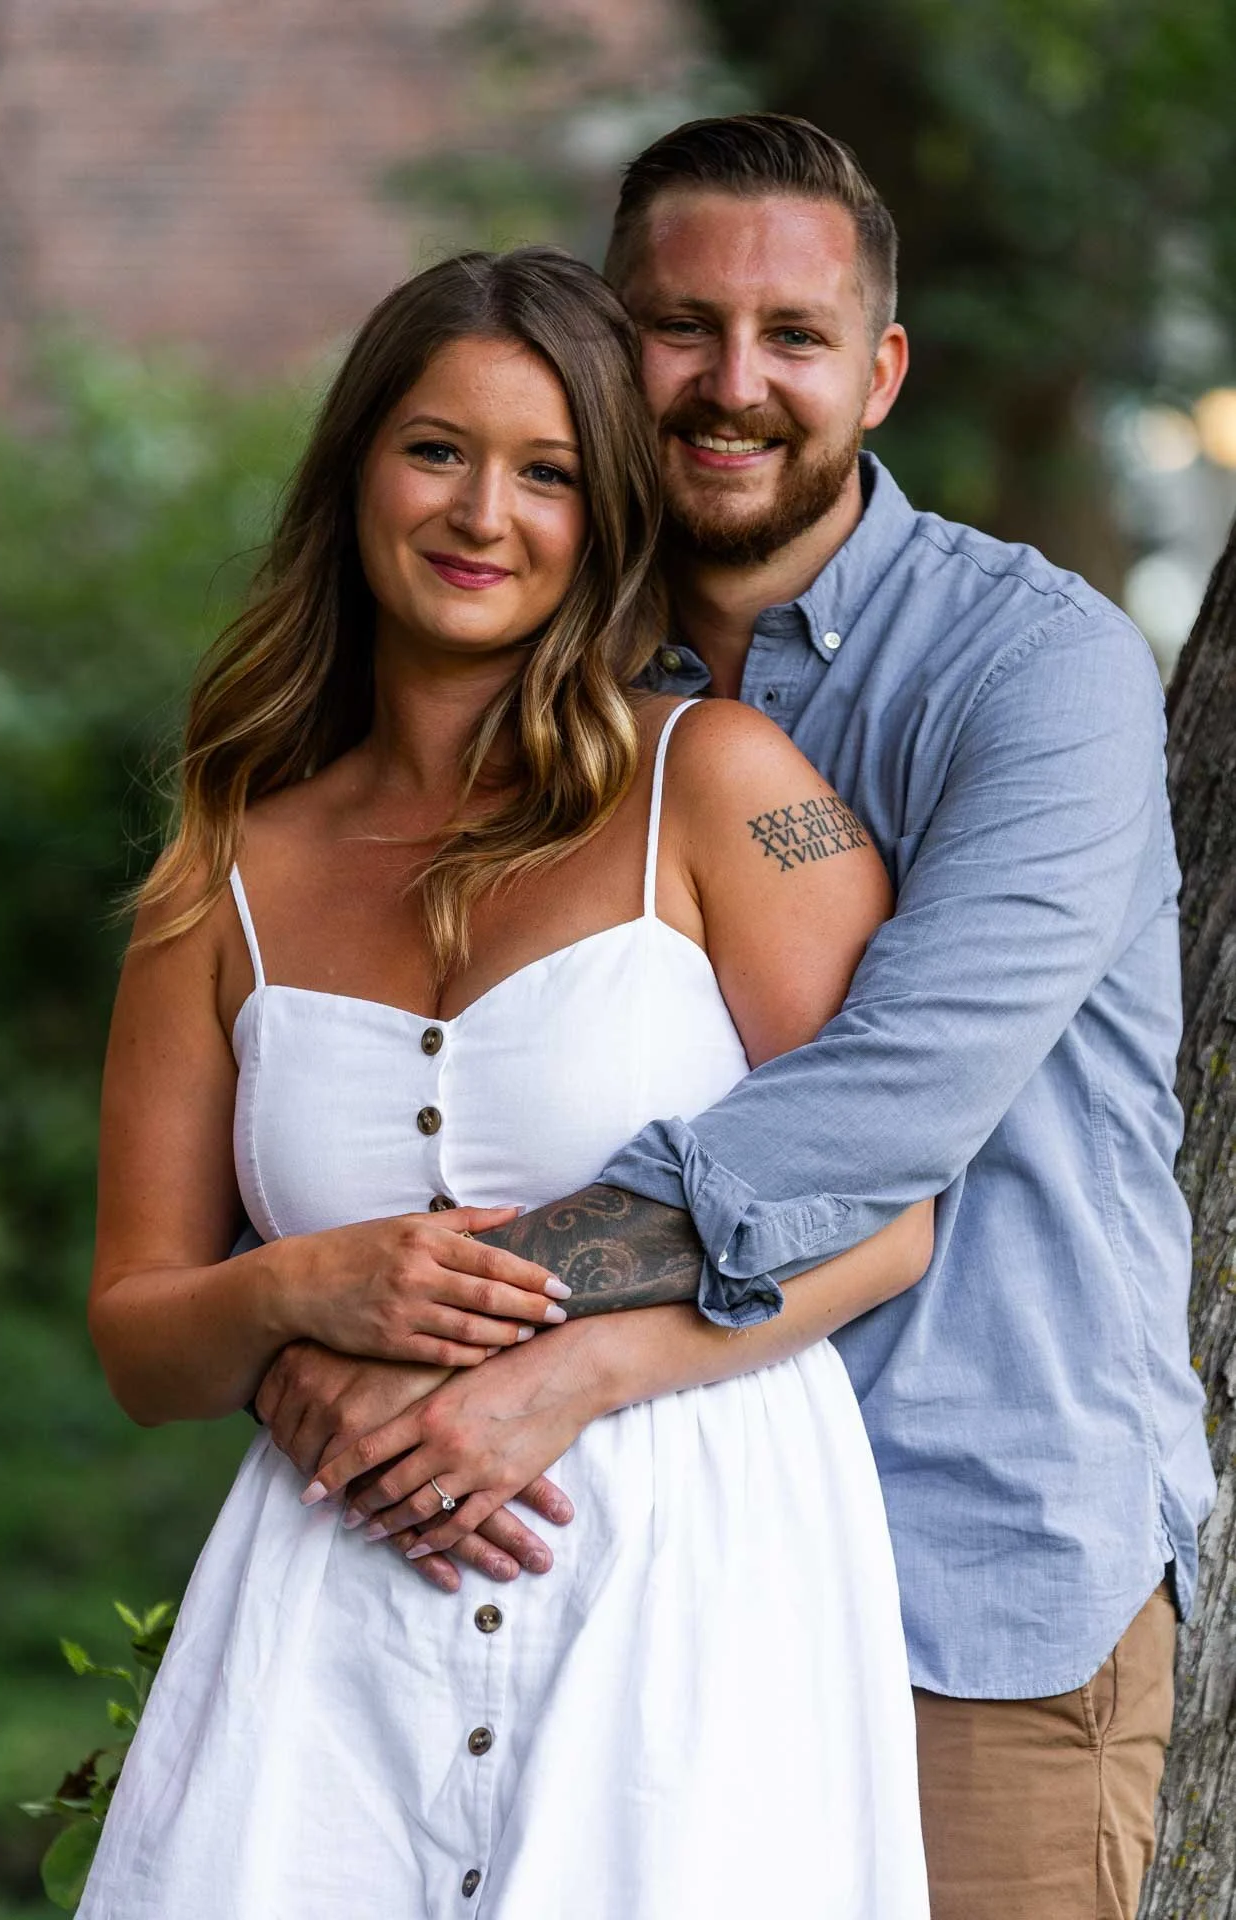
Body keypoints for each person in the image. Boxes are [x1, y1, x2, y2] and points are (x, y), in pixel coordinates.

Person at [263, 118, 1217, 1920]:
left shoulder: (1034, 665)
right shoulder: (534, 675)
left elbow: (890, 1099)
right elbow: (388, 1075)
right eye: (678, 327)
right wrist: (284, 1318)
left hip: (965, 1582)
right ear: (603, 346)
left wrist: (426, 1340)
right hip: (606, 1580)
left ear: (881, 371)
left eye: (791, 336)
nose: (730, 384)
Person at [79, 245, 933, 1918]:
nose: (484, 514)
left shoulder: (727, 791)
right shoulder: (224, 867)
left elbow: (887, 1221)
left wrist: (577, 1378)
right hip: (334, 1636)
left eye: (546, 472)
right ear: (355, 474)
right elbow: (135, 1333)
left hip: (691, 1604)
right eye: (436, 450)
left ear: (605, 513)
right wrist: (294, 1293)